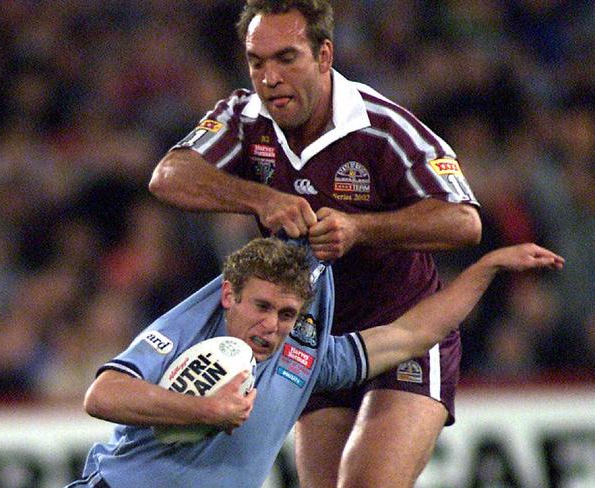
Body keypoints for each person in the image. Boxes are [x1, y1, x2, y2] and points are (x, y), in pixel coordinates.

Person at [148, 1, 482, 486]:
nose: (270, 77)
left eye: (286, 58)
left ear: (324, 56)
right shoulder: (245, 117)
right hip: (315, 341)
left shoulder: (383, 128)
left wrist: (361, 228)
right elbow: (168, 176)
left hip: (403, 333)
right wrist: (261, 199)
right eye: (257, 61)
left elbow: (463, 220)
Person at [65, 237, 563, 488]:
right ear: (229, 296)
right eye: (261, 307)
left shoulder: (307, 362)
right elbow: (103, 396)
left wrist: (487, 268)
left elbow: (414, 334)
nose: (272, 326)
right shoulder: (192, 330)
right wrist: (207, 411)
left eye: (287, 314)